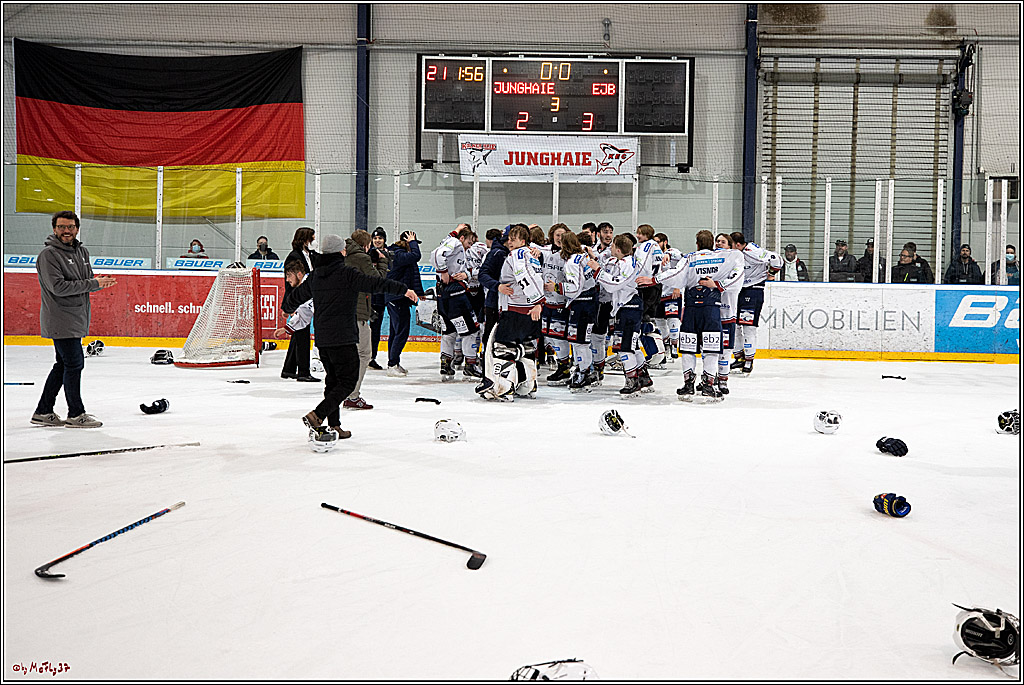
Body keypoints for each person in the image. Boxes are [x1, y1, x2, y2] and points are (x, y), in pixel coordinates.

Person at [284, 234, 417, 438]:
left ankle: (334, 424)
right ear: (341, 252)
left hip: (323, 339)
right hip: (343, 337)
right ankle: (318, 414)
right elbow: (376, 284)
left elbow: (296, 297)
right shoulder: (347, 274)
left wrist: (286, 308)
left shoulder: (316, 275)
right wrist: (404, 289)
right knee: (347, 381)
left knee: (333, 382)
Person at [32, 210, 117, 428]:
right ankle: (76, 413)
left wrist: (98, 282)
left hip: (77, 317)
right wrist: (93, 284)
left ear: (77, 229)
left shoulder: (82, 252)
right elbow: (58, 287)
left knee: (63, 364)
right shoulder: (48, 255)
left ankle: (43, 410)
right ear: (54, 229)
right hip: (60, 318)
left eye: (70, 227)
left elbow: (85, 282)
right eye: (61, 227)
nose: (66, 231)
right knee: (74, 364)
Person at [640, 230, 743, 402]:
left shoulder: (690, 258)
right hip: (711, 309)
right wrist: (718, 284)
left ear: (697, 243)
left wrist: (653, 280)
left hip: (691, 308)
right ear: (712, 244)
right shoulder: (727, 257)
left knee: (688, 347)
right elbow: (738, 273)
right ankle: (709, 385)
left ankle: (688, 384)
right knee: (711, 348)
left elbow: (675, 275)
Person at [476, 224, 545, 401]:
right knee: (527, 347)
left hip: (513, 309)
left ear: (523, 241)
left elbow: (526, 277)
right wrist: (537, 303)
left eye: (514, 239)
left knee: (502, 348)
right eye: (509, 238)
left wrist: (538, 301)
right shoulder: (528, 253)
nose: (510, 241)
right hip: (525, 309)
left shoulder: (518, 254)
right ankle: (528, 383)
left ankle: (504, 386)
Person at [591, 234, 651, 397]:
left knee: (625, 348)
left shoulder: (627, 264)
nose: (610, 248)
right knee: (632, 345)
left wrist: (596, 270)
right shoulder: (624, 261)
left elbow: (613, 285)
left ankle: (632, 381)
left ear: (618, 250)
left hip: (629, 307)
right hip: (626, 307)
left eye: (612, 247)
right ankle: (643, 377)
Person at [343, 230, 388, 409]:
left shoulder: (343, 255)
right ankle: (352, 394)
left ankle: (346, 391)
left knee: (350, 354)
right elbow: (377, 281)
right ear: (366, 244)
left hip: (344, 312)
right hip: (358, 312)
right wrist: (383, 261)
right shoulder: (361, 258)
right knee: (364, 354)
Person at [431, 225, 483, 381]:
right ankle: (470, 366)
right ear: (462, 238)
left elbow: (460, 267)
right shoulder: (456, 243)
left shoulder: (453, 244)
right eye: (469, 242)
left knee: (449, 331)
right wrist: (443, 271)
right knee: (471, 330)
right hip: (456, 296)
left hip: (444, 295)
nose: (470, 246)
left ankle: (446, 366)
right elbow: (436, 255)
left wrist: (465, 274)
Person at [729, 232, 781, 376]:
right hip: (738, 290)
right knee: (735, 325)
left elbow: (776, 259)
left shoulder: (752, 251)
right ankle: (739, 357)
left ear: (738, 245)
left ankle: (749, 361)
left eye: (731, 244)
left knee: (748, 327)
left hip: (753, 290)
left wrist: (771, 272)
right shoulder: (735, 254)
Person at [384, 230, 425, 376]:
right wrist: (412, 242)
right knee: (401, 331)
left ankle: (394, 362)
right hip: (396, 298)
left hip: (399, 298)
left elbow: (412, 274)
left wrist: (419, 292)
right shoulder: (397, 253)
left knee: (396, 332)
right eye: (413, 243)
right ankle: (392, 364)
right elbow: (416, 256)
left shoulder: (401, 255)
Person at [281, 226, 319, 382]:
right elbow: (289, 282)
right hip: (299, 299)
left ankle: (288, 369)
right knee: (302, 335)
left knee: (298, 334)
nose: (314, 241)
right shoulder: (294, 256)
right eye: (312, 238)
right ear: (305, 239)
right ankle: (303, 372)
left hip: (307, 297)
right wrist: (289, 304)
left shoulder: (310, 255)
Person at [541, 223, 572, 384]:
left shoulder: (570, 255)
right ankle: (563, 363)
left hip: (562, 302)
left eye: (563, 235)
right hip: (547, 301)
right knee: (550, 336)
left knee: (560, 337)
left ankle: (564, 367)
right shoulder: (545, 251)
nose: (560, 238)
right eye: (557, 235)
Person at [478, 225, 512, 350]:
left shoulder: (517, 254)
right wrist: (497, 286)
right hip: (494, 303)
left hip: (512, 303)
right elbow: (482, 275)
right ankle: (487, 363)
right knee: (491, 335)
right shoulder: (496, 253)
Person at [367, 227, 392, 370]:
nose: (377, 241)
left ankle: (371, 357)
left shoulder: (388, 254)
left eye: (380, 238)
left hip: (381, 298)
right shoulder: (368, 254)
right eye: (375, 238)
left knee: (375, 330)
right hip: (368, 297)